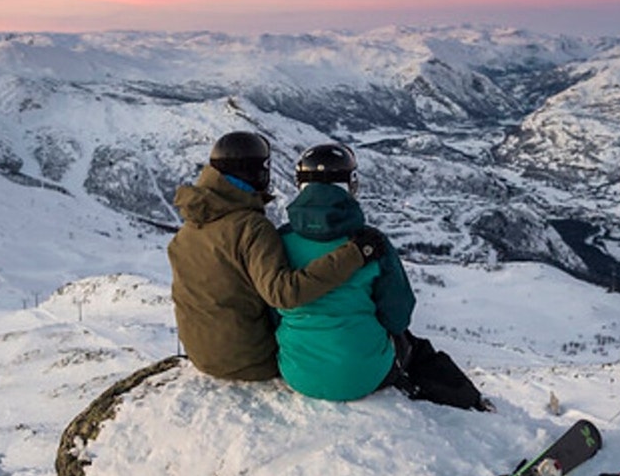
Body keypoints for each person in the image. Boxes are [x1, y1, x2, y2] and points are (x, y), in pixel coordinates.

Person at [275, 143, 489, 410]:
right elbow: (398, 317)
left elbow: (272, 303)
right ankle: (467, 401)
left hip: (297, 373)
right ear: (351, 184)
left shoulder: (279, 241)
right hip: (365, 377)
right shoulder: (370, 244)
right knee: (413, 347)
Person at [167, 131, 385, 382]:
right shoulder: (251, 227)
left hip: (202, 355)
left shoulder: (189, 228)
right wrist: (356, 254)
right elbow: (284, 294)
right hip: (250, 360)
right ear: (259, 172)